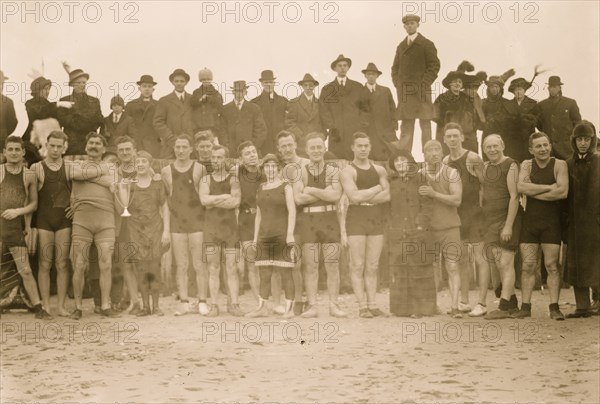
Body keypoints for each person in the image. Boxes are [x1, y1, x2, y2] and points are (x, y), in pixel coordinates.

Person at [30, 130, 94, 317]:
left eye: (59, 146)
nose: (56, 150)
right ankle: (45, 306)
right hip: (44, 220)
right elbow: (28, 196)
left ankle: (61, 306)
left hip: (64, 220)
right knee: (44, 263)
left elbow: (88, 181)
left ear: (64, 148)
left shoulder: (70, 167)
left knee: (62, 264)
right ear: (46, 145)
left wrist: (77, 203)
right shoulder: (37, 168)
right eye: (53, 146)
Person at [515, 132, 568, 320]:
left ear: (550, 146)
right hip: (530, 222)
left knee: (552, 265)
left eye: (545, 145)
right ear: (531, 150)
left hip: (551, 222)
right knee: (528, 265)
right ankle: (525, 307)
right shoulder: (527, 164)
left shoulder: (559, 164)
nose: (543, 149)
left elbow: (562, 192)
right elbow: (521, 188)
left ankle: (554, 307)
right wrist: (548, 187)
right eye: (538, 146)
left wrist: (533, 191)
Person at [293, 132, 347, 318]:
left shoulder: (333, 171)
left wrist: (312, 190)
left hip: (330, 219)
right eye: (312, 148)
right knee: (311, 265)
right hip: (309, 222)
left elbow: (335, 196)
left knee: (332, 264)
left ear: (324, 148)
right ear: (306, 150)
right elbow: (298, 199)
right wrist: (324, 191)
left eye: (319, 147)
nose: (316, 150)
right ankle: (313, 306)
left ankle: (334, 305)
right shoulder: (300, 171)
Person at [69, 132, 120, 319]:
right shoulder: (76, 165)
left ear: (104, 149)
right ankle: (78, 307)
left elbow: (114, 183)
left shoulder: (112, 168)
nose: (94, 146)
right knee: (79, 264)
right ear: (85, 146)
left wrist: (86, 177)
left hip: (106, 220)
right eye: (91, 142)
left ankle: (105, 305)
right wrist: (102, 173)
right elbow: (74, 174)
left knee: (106, 264)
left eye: (98, 143)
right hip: (82, 220)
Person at [340, 133, 390, 318]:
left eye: (366, 145)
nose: (363, 149)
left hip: (375, 217)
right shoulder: (347, 171)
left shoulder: (379, 170)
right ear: (352, 147)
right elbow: (353, 197)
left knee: (372, 265)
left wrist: (365, 196)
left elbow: (388, 196)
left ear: (370, 147)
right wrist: (377, 189)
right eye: (359, 145)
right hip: (356, 219)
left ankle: (373, 304)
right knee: (357, 265)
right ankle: (362, 306)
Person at [442, 123, 488, 316]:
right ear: (445, 140)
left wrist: (484, 210)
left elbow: (485, 184)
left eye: (455, 136)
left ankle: (483, 303)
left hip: (475, 214)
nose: (452, 139)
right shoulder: (445, 161)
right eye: (449, 136)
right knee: (461, 259)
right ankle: (464, 301)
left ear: (462, 137)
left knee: (480, 258)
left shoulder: (472, 157)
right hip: (457, 214)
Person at [0, 136, 47, 318]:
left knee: (25, 269)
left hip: (13, 226)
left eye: (16, 150)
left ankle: (38, 307)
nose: (13, 153)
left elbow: (33, 204)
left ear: (23, 152)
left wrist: (19, 214)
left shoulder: (29, 175)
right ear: (4, 152)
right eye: (10, 149)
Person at [386, 145, 436, 317]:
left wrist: (421, 224)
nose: (400, 163)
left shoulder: (420, 179)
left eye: (403, 160)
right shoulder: (390, 182)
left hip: (418, 231)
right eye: (397, 161)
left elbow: (427, 204)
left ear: (409, 163)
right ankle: (401, 309)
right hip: (398, 232)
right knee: (401, 269)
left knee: (419, 269)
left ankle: (422, 309)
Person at [161, 134, 208, 315]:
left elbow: (203, 197)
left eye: (184, 147)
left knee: (198, 263)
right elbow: (166, 201)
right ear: (174, 149)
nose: (180, 150)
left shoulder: (199, 168)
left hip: (197, 221)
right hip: (177, 222)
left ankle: (202, 300)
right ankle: (184, 301)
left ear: (191, 149)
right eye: (177, 147)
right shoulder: (166, 171)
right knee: (181, 264)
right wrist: (166, 228)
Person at [246, 153, 297, 318]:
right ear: (263, 169)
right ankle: (262, 308)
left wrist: (290, 235)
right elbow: (259, 215)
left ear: (279, 168)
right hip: (264, 236)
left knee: (285, 273)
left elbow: (292, 211)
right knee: (264, 273)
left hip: (282, 235)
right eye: (267, 166)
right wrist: (255, 239)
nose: (270, 170)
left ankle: (289, 310)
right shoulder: (260, 187)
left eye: (273, 166)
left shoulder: (286, 186)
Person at [479, 135, 522, 319]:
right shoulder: (486, 167)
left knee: (506, 262)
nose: (492, 150)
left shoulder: (511, 164)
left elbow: (514, 196)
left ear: (502, 145)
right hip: (491, 220)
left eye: (495, 146)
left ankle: (504, 307)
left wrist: (508, 226)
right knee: (498, 263)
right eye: (488, 147)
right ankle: (512, 304)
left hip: (507, 219)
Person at [419, 139, 464, 318]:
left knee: (452, 266)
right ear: (424, 155)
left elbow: (457, 200)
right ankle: (432, 306)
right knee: (430, 268)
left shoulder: (451, 173)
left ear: (442, 152)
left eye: (437, 149)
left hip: (450, 226)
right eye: (430, 150)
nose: (434, 153)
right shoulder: (420, 174)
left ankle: (454, 307)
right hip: (429, 229)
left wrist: (434, 194)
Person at [122, 151, 170, 316]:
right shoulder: (129, 184)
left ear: (150, 164)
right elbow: (123, 204)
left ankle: (156, 306)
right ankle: (145, 307)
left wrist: (166, 232)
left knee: (154, 268)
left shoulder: (158, 183)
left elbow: (164, 207)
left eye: (144, 161)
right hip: (135, 230)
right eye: (138, 161)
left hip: (155, 229)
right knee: (140, 269)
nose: (140, 164)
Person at [199, 145, 243, 317]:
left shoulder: (233, 180)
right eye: (214, 157)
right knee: (213, 267)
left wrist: (213, 201)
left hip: (230, 228)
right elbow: (203, 200)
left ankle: (234, 304)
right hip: (211, 228)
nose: (216, 160)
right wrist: (224, 197)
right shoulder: (205, 180)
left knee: (231, 267)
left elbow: (235, 202)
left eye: (219, 157)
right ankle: (214, 305)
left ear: (226, 159)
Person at [563, 121, 599, 318]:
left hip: (595, 223)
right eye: (579, 139)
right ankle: (582, 306)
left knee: (597, 262)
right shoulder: (567, 164)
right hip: (575, 224)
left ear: (592, 141)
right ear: (574, 142)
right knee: (576, 263)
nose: (583, 143)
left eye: (587, 139)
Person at [391, 14, 440, 152]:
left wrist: (424, 83)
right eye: (407, 24)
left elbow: (434, 66)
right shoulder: (401, 46)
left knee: (425, 125)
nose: (410, 26)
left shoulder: (426, 44)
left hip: (421, 92)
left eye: (412, 23)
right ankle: (405, 159)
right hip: (405, 93)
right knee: (406, 125)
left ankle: (430, 156)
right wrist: (398, 84)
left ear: (418, 25)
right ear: (404, 27)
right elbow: (395, 68)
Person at [275, 130, 308, 314]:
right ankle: (282, 302)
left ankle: (300, 301)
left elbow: (307, 191)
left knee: (297, 262)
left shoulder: (306, 164)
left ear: (295, 144)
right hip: (281, 219)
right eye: (283, 146)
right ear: (279, 149)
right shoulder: (277, 170)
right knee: (280, 262)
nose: (287, 149)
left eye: (290, 144)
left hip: (303, 217)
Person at [320, 54, 371, 160]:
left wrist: (361, 125)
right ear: (335, 68)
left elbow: (365, 108)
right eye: (339, 65)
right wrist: (331, 127)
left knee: (355, 160)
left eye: (345, 65)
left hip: (354, 131)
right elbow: (323, 110)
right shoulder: (327, 89)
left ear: (348, 68)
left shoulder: (358, 87)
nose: (342, 68)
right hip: (336, 133)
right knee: (335, 161)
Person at [235, 141, 264, 303]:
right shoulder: (236, 173)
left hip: (266, 219)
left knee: (268, 261)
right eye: (247, 153)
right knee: (252, 262)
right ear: (241, 159)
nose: (252, 155)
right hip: (246, 219)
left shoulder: (266, 172)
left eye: (254, 151)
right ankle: (259, 300)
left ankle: (270, 299)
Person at [23, 76, 72, 165]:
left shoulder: (50, 105)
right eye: (45, 89)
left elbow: (60, 122)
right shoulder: (30, 103)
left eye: (49, 89)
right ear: (37, 90)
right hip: (32, 141)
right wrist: (57, 104)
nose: (48, 91)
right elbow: (39, 113)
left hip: (48, 142)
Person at [57, 64, 104, 156]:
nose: (82, 85)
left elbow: (99, 120)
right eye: (78, 83)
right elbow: (61, 120)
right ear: (73, 84)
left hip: (90, 143)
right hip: (71, 143)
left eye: (83, 82)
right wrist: (79, 121)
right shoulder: (64, 100)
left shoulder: (94, 101)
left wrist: (100, 139)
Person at [533, 76, 582, 160]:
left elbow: (577, 124)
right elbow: (539, 124)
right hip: (548, 150)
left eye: (554, 87)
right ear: (548, 88)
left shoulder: (570, 103)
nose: (552, 89)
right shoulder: (542, 105)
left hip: (567, 150)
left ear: (559, 88)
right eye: (550, 87)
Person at [153, 69, 195, 159]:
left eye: (182, 81)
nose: (179, 83)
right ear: (172, 82)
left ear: (186, 82)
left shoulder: (193, 99)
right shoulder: (164, 100)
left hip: (189, 144)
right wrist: (170, 138)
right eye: (176, 81)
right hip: (170, 144)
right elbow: (158, 122)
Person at [433, 61, 472, 156]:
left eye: (459, 82)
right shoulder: (442, 98)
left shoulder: (466, 99)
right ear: (449, 84)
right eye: (454, 82)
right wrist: (447, 122)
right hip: (446, 134)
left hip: (464, 135)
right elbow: (434, 115)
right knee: (447, 159)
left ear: (462, 85)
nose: (457, 84)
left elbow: (472, 116)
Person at [362, 62, 398, 161]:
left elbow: (393, 109)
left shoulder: (385, 91)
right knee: (371, 156)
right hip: (369, 130)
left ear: (377, 76)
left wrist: (394, 124)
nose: (371, 77)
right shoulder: (360, 91)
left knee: (391, 155)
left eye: (373, 74)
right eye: (369, 74)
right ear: (365, 75)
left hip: (386, 130)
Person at [221, 81, 267, 155]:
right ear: (233, 92)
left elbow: (261, 130)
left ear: (246, 92)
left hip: (251, 152)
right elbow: (222, 131)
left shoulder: (254, 108)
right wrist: (228, 146)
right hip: (232, 153)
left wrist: (253, 147)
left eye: (241, 91)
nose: (239, 93)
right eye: (237, 91)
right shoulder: (225, 109)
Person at [251, 70, 288, 155]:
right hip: (263, 146)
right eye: (266, 82)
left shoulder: (283, 101)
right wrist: (256, 144)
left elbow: (288, 122)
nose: (268, 84)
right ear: (261, 84)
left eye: (271, 82)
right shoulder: (254, 103)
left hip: (281, 144)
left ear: (274, 83)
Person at [285, 74, 322, 155]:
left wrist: (322, 136)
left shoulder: (320, 103)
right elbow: (289, 123)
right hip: (301, 144)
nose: (308, 87)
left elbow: (323, 122)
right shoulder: (294, 102)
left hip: (316, 142)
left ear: (314, 86)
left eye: (311, 85)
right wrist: (301, 136)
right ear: (302, 86)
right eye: (305, 85)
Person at [125, 74, 161, 158]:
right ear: (139, 88)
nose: (147, 89)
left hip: (154, 145)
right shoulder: (131, 105)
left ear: (153, 89)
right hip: (136, 144)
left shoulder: (159, 105)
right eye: (144, 86)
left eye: (149, 86)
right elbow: (126, 125)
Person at [507, 77, 538, 163]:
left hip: (527, 140)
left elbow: (536, 121)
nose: (518, 92)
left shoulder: (533, 103)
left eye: (520, 89)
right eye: (516, 90)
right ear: (513, 92)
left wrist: (527, 119)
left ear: (525, 90)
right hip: (512, 142)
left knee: (528, 164)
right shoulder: (508, 105)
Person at [482, 69, 516, 147]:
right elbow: (479, 121)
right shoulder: (484, 103)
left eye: (496, 86)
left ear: (500, 88)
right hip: (488, 135)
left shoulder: (507, 102)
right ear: (488, 89)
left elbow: (512, 120)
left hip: (504, 136)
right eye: (492, 87)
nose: (494, 89)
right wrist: (487, 123)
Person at [190, 68, 224, 139]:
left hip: (212, 127)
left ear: (211, 80)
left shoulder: (216, 93)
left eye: (208, 79)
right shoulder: (196, 92)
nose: (206, 81)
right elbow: (192, 103)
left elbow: (220, 107)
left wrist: (209, 98)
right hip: (198, 128)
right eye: (204, 79)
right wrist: (200, 99)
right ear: (201, 80)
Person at [0, 71, 18, 152]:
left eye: (2, 83)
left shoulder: (8, 102)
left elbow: (13, 123)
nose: (1, 86)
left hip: (1, 143)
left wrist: (3, 133)